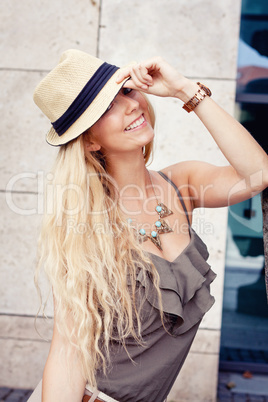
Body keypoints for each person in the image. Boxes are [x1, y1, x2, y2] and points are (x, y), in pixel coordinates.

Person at [32, 49, 268, 402]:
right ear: (91, 141)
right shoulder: (88, 224)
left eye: (126, 90)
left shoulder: (182, 185)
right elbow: (68, 350)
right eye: (106, 107)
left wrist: (185, 90)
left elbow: (259, 173)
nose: (130, 105)